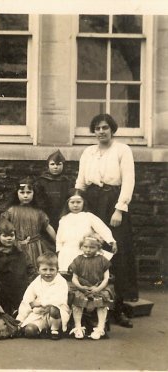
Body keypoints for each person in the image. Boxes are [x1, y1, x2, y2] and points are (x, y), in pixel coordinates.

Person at [75, 113, 137, 328]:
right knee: (89, 249)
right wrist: (76, 203)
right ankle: (89, 308)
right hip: (91, 201)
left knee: (114, 253)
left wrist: (120, 209)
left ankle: (117, 308)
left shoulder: (122, 150)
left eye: (105, 128)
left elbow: (128, 180)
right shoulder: (88, 152)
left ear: (112, 130)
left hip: (112, 202)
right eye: (97, 128)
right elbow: (81, 182)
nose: (101, 131)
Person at [1, 177, 56, 271]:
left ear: (34, 193)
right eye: (22, 193)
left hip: (36, 246)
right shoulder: (11, 211)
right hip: (16, 246)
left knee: (36, 268)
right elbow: (1, 226)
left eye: (29, 192)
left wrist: (57, 243)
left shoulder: (39, 212)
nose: (25, 195)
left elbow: (48, 228)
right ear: (16, 193)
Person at [56, 188, 116, 273]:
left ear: (84, 203)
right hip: (67, 251)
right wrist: (59, 250)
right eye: (72, 202)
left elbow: (102, 228)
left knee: (85, 272)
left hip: (85, 251)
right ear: (67, 204)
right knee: (68, 273)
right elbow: (59, 237)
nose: (75, 205)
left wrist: (111, 241)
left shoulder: (89, 216)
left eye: (78, 202)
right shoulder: (63, 219)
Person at [68, 233, 115, 340]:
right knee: (77, 300)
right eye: (85, 247)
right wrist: (80, 287)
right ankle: (78, 327)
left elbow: (106, 278)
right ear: (81, 246)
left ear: (98, 248)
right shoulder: (78, 260)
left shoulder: (102, 260)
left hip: (98, 286)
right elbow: (74, 278)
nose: (88, 250)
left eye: (92, 247)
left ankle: (100, 328)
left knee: (102, 300)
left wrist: (98, 289)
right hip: (82, 287)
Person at [16, 252, 70, 340]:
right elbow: (27, 301)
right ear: (38, 270)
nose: (48, 273)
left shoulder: (61, 282)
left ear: (57, 269)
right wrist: (20, 319)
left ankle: (54, 330)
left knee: (54, 309)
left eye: (52, 269)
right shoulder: (36, 283)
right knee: (29, 331)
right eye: (44, 269)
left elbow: (59, 300)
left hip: (57, 314)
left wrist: (39, 303)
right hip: (39, 313)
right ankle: (43, 329)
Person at [0, 219, 35, 316]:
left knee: (22, 312)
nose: (9, 238)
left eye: (11, 235)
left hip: (19, 289)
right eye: (5, 236)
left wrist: (28, 284)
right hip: (2, 291)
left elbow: (30, 269)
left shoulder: (21, 253)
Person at [36, 150, 72, 232]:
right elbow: (39, 200)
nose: (55, 167)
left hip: (63, 214)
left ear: (63, 166)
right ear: (48, 166)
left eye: (59, 164)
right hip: (47, 214)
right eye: (52, 164)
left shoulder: (67, 182)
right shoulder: (41, 181)